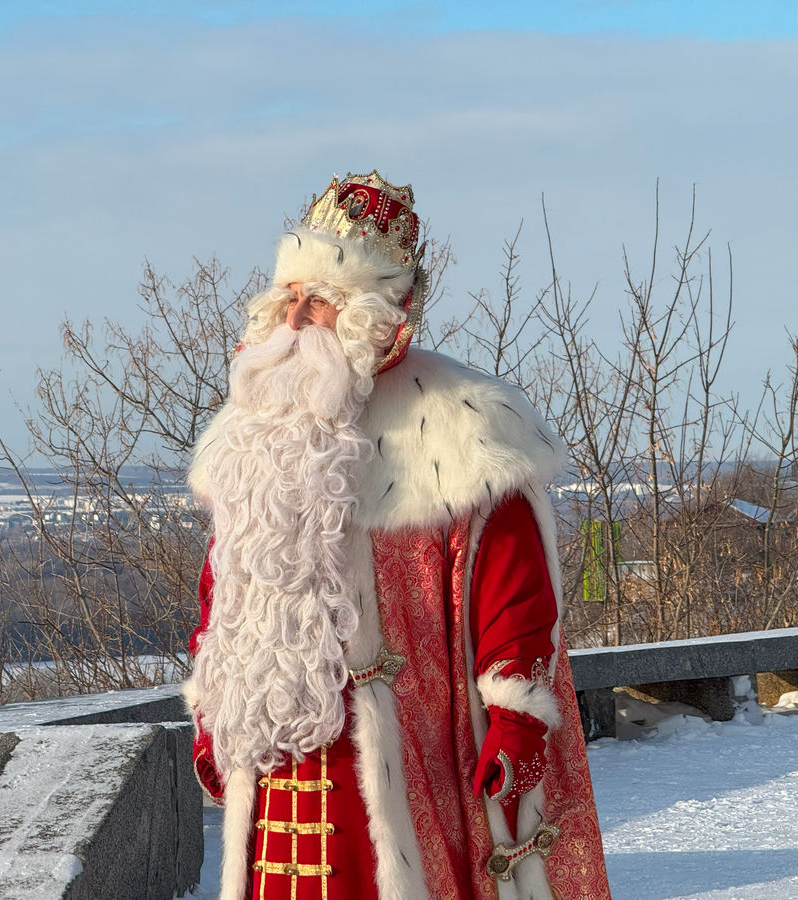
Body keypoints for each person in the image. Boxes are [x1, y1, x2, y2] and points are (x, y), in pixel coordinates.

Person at [184, 171, 610, 900]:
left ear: (376, 312)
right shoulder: (251, 435)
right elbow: (224, 593)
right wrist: (213, 718)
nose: (296, 317)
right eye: (290, 296)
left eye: (318, 298)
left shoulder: (459, 424)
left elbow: (512, 585)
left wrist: (515, 722)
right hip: (278, 759)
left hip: (402, 762)